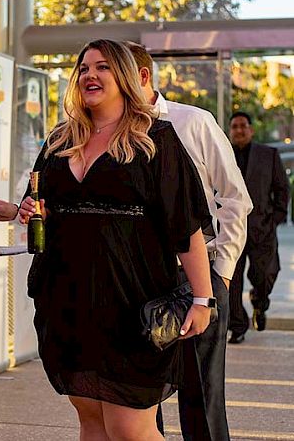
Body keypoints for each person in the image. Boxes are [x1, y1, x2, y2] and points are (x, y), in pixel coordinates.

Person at [18, 39, 215, 440]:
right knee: (90, 418)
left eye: (103, 67)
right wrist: (31, 211)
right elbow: (40, 204)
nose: (91, 74)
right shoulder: (59, 141)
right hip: (68, 298)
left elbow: (186, 226)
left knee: (130, 429)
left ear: (125, 76)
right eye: (84, 67)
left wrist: (202, 298)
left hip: (132, 300)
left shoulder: (156, 139)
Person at [126, 42, 252, 440]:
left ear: (142, 76)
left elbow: (235, 198)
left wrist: (223, 276)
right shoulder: (107, 131)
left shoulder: (193, 122)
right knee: (140, 399)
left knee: (202, 396)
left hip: (198, 276)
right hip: (136, 281)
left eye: (115, 71)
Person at [228, 111, 289, 341]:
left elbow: (282, 189)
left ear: (251, 130)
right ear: (230, 131)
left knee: (265, 275)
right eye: (234, 126)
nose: (239, 130)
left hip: (262, 228)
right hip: (231, 229)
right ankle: (238, 326)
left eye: (243, 126)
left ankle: (260, 302)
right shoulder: (222, 154)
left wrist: (275, 218)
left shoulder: (269, 154)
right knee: (231, 281)